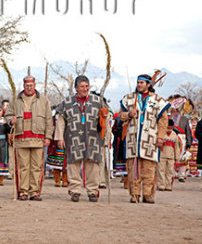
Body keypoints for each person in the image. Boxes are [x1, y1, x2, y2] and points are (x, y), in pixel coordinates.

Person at [54, 75, 108, 202]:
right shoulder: (67, 102)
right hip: (73, 137)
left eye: (87, 86)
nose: (85, 89)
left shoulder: (98, 101)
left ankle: (93, 191)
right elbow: (60, 120)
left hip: (93, 137)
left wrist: (106, 136)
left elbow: (106, 120)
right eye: (82, 86)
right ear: (76, 88)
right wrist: (59, 137)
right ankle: (75, 190)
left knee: (93, 165)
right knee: (73, 165)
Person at [119, 74, 170, 204]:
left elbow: (163, 121)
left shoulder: (158, 100)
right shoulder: (129, 98)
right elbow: (121, 116)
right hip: (133, 137)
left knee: (149, 169)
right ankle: (134, 194)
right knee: (133, 168)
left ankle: (148, 194)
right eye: (138, 82)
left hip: (150, 138)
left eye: (142, 82)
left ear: (148, 84)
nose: (139, 84)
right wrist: (129, 114)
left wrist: (160, 137)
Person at [5, 75, 53, 201]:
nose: (29, 87)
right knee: (23, 166)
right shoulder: (16, 100)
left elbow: (49, 119)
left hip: (38, 138)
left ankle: (35, 192)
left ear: (35, 85)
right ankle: (23, 191)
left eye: (31, 85)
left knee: (37, 166)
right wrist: (11, 120)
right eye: (27, 85)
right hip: (21, 139)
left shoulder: (43, 100)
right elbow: (8, 115)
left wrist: (48, 136)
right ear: (23, 85)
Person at [158, 119, 180, 191]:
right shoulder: (161, 134)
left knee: (170, 171)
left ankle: (168, 184)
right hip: (162, 155)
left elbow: (177, 147)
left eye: (171, 128)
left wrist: (177, 157)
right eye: (168, 128)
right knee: (161, 170)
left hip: (171, 156)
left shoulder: (174, 135)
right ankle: (161, 184)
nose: (169, 130)